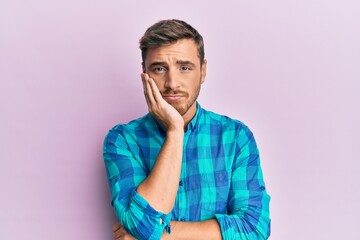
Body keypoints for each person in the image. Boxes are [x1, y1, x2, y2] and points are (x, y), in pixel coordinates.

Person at [103, 19, 271, 240]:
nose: (172, 83)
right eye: (159, 68)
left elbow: (253, 229)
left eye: (184, 67)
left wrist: (162, 236)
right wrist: (175, 130)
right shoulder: (123, 140)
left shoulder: (236, 137)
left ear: (202, 71)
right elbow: (140, 225)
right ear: (144, 73)